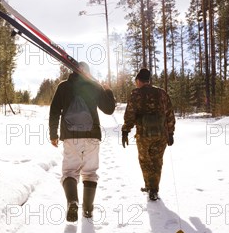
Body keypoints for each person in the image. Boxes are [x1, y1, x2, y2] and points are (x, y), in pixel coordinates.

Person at [49, 62, 116, 221]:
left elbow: (54, 111)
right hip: (92, 135)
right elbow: (109, 109)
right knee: (90, 173)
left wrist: (53, 134)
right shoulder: (94, 86)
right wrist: (108, 91)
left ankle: (72, 201)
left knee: (69, 172)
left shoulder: (63, 86)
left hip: (71, 136)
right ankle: (87, 210)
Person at [121, 68, 175, 201]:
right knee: (157, 161)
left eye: (136, 81)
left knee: (145, 161)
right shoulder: (162, 93)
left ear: (139, 81)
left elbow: (130, 115)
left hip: (144, 135)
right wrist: (171, 132)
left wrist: (125, 130)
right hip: (161, 135)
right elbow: (169, 114)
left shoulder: (136, 94)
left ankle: (150, 187)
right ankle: (153, 189)